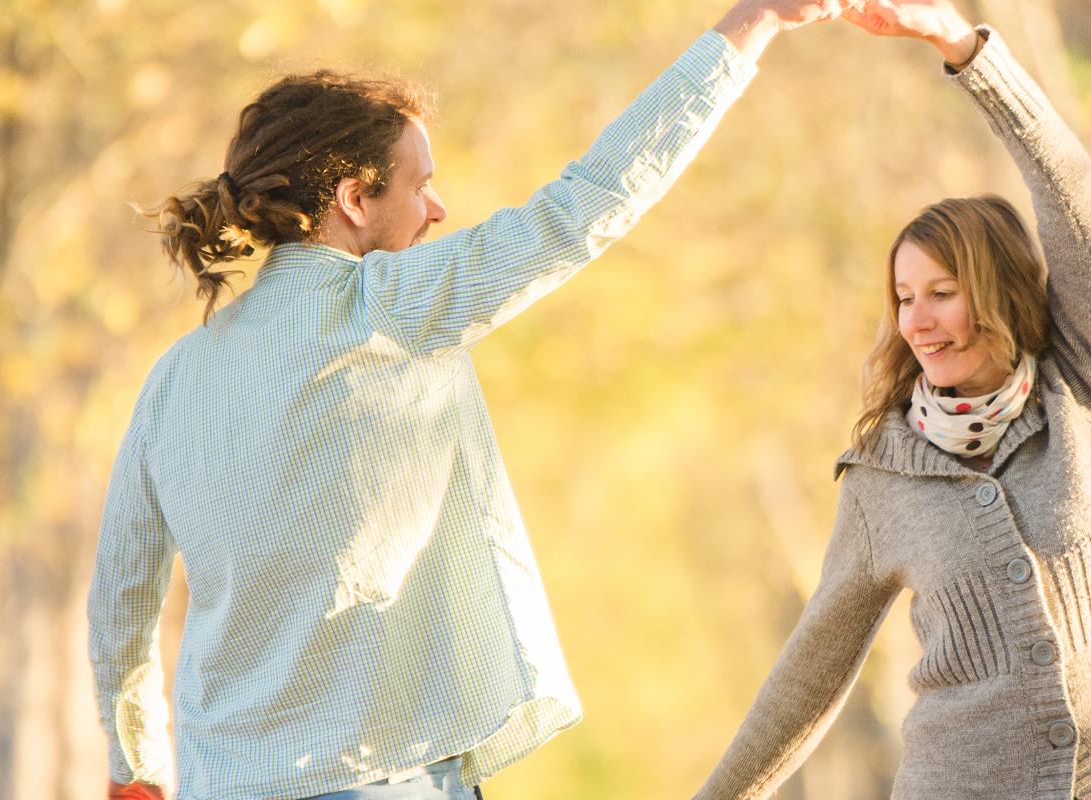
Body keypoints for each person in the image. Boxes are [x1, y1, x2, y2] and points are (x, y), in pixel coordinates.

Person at [87, 2, 860, 798]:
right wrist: (752, 26)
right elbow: (586, 205)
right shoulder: (391, 305)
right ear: (355, 198)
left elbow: (121, 600)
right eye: (421, 184)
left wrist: (134, 768)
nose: (437, 209)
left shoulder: (173, 379)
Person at [692, 1, 1091, 798]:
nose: (916, 322)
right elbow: (809, 677)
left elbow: (1083, 208)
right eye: (903, 297)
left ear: (994, 291)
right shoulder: (885, 476)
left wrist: (962, 48)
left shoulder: (1089, 392)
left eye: (942, 294)